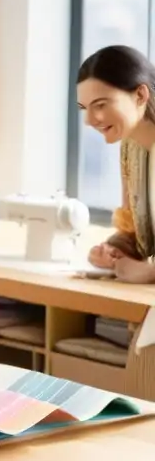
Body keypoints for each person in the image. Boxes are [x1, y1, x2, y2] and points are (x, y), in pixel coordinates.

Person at [78, 44, 155, 283]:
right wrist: (112, 252)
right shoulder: (131, 148)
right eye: (84, 108)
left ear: (140, 95)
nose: (90, 120)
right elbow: (134, 233)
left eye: (101, 105)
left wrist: (145, 272)